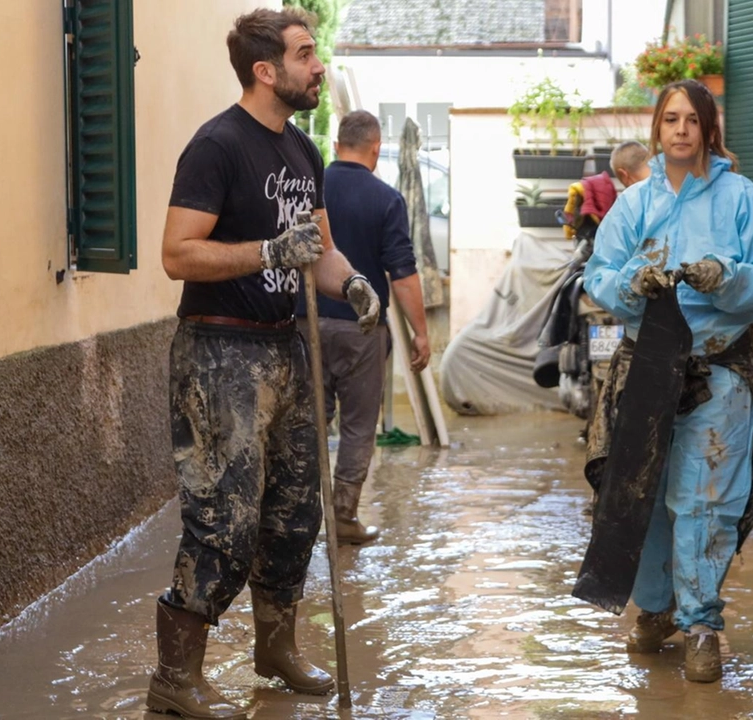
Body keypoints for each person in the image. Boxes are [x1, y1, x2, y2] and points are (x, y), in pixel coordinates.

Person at [147, 9, 382, 719]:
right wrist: (268, 252)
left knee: (292, 514)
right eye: (307, 54)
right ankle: (174, 676)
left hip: (289, 348)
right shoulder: (216, 147)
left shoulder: (304, 154)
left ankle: (275, 648)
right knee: (225, 520)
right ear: (265, 69)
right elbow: (176, 253)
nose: (319, 67)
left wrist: (353, 283)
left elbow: (322, 250)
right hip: (221, 352)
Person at [583, 79, 753, 683]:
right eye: (669, 119)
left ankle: (702, 625)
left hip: (718, 369)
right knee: (640, 495)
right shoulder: (635, 202)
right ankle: (653, 609)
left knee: (704, 500)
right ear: (657, 129)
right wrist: (631, 284)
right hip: (645, 368)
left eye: (690, 120)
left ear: (707, 128)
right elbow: (599, 275)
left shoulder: (743, 198)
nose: (679, 130)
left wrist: (724, 276)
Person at [296, 110, 431, 546]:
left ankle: (297, 517)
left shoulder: (308, 191)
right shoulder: (387, 199)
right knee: (358, 426)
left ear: (335, 146)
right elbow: (403, 275)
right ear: (376, 148)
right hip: (362, 328)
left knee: (309, 422)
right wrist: (421, 333)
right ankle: (344, 518)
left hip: (306, 324)